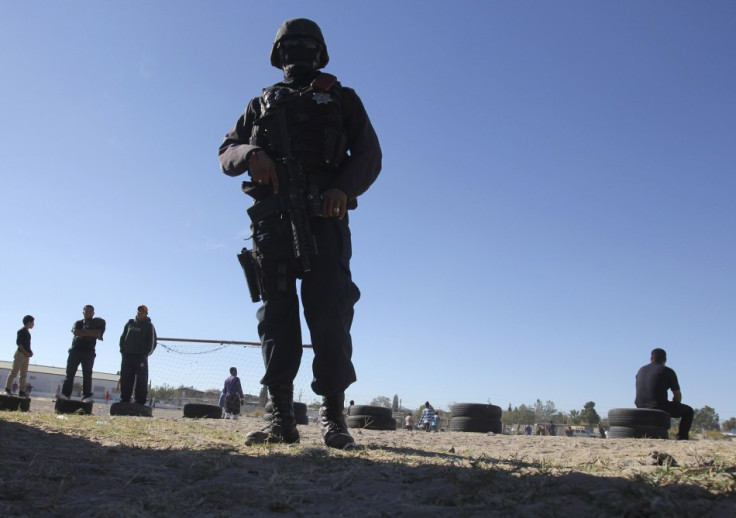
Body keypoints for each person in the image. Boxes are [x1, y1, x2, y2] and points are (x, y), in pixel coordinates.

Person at [219, 18, 381, 450]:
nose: (297, 56)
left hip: (325, 219)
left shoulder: (343, 99)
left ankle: (333, 416)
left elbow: (369, 155)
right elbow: (226, 151)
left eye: (305, 47)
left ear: (319, 52)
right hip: (272, 224)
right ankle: (281, 416)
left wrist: (342, 188)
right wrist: (252, 153)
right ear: (279, 56)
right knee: (276, 319)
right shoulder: (259, 105)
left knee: (330, 314)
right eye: (289, 48)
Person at [635, 347, 694, 440]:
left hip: (640, 407)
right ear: (665, 360)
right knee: (689, 411)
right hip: (659, 407)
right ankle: (682, 437)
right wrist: (675, 404)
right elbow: (677, 395)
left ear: (651, 358)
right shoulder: (667, 371)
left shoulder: (641, 370)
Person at [61, 305, 106, 403]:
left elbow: (98, 334)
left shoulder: (99, 322)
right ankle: (66, 394)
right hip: (75, 350)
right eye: (87, 311)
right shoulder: (78, 323)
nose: (88, 312)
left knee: (87, 374)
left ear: (93, 313)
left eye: (91, 311)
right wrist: (90, 333)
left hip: (89, 351)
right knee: (70, 373)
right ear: (83, 312)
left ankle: (86, 396)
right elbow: (76, 332)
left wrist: (84, 333)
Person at [118, 305, 157, 405]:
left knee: (141, 380)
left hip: (140, 357)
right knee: (126, 378)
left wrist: (146, 354)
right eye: (139, 311)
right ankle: (124, 399)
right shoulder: (130, 323)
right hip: (127, 356)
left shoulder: (149, 326)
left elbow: (152, 342)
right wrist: (123, 351)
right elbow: (123, 338)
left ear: (146, 314)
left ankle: (139, 401)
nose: (140, 313)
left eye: (142, 311)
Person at [5, 315, 34, 397]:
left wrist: (30, 352)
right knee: (14, 372)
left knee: (24, 374)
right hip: (20, 354)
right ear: (28, 322)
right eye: (32, 322)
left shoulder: (28, 333)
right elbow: (19, 344)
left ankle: (21, 390)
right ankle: (8, 388)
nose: (33, 324)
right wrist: (25, 352)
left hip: (26, 356)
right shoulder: (21, 331)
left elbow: (27, 345)